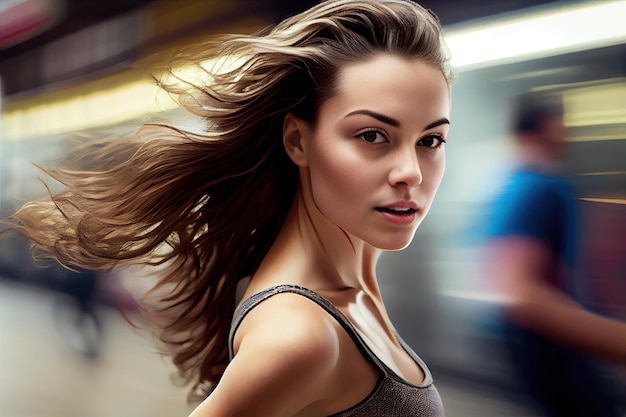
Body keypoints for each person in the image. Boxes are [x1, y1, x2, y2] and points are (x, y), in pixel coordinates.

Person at [8, 1, 453, 416]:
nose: (410, 172)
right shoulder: (301, 336)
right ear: (298, 141)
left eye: (430, 140)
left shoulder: (351, 294)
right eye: (372, 135)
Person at [486, 91, 626, 417]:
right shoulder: (542, 187)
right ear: (550, 125)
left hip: (538, 349)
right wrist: (614, 339)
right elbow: (519, 291)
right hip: (553, 347)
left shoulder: (509, 185)